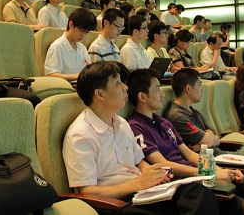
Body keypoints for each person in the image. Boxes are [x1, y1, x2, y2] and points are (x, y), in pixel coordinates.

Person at [63, 61, 219, 215]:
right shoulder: (81, 135)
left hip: (141, 192)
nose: (125, 88)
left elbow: (139, 161)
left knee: (197, 193)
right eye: (118, 83)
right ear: (99, 94)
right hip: (117, 204)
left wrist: (151, 172)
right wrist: (138, 183)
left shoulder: (121, 123)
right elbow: (87, 191)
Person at [127, 69, 244, 215]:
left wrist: (222, 170)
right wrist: (210, 173)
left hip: (200, 174)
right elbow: (163, 165)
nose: (162, 95)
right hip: (185, 183)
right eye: (157, 89)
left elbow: (189, 154)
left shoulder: (163, 122)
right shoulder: (136, 127)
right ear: (142, 96)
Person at [166, 68, 244, 186]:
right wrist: (209, 138)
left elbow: (215, 138)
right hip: (210, 161)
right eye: (199, 85)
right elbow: (209, 140)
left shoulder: (194, 111)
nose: (202, 90)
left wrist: (209, 139)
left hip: (219, 153)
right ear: (188, 89)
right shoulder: (177, 116)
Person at [44, 8, 97, 82]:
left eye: (87, 32)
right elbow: (50, 75)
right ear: (71, 24)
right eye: (82, 30)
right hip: (65, 88)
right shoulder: (57, 47)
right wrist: (76, 76)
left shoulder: (82, 48)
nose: (83, 35)